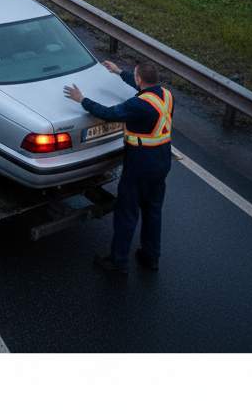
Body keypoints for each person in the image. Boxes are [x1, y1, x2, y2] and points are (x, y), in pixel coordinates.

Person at [64, 60, 173, 275]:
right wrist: (119, 73)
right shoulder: (167, 96)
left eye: (134, 76)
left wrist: (82, 99)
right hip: (162, 163)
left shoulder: (137, 105)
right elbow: (145, 92)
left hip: (140, 164)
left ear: (139, 79)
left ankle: (118, 261)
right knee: (153, 211)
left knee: (127, 212)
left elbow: (108, 113)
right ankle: (151, 257)